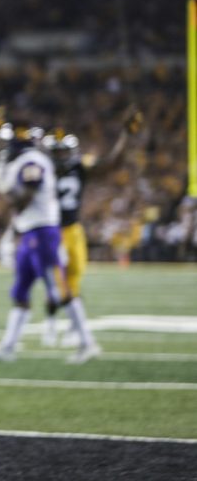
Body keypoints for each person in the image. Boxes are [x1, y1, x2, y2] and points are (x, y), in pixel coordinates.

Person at [39, 107, 143, 350]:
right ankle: (53, 323)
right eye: (58, 151)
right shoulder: (40, 171)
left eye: (65, 151)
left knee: (74, 280)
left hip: (74, 230)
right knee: (58, 285)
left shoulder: (79, 166)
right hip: (52, 231)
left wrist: (126, 136)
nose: (63, 156)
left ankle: (73, 329)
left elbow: (110, 164)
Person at [0, 120, 76, 362]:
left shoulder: (32, 161)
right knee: (20, 291)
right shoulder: (20, 162)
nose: (3, 148)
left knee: (57, 289)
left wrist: (5, 190)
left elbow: (25, 196)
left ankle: (85, 341)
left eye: (6, 142)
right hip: (29, 230)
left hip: (42, 230)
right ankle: (8, 348)